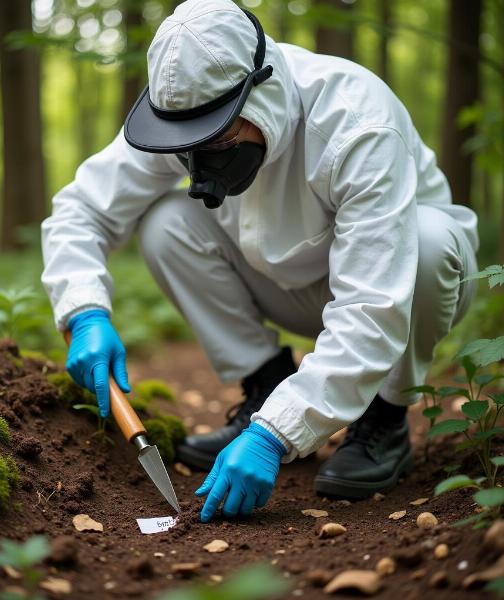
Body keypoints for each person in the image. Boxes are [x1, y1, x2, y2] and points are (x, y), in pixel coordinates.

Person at [41, 0, 479, 523]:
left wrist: (276, 436)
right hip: (286, 283)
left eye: (221, 139)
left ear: (261, 91)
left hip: (403, 290)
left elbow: (371, 305)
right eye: (187, 148)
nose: (201, 166)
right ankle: (266, 389)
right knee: (166, 224)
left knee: (428, 243)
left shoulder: (356, 122)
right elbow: (82, 208)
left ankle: (384, 417)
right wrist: (84, 310)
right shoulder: (182, 106)